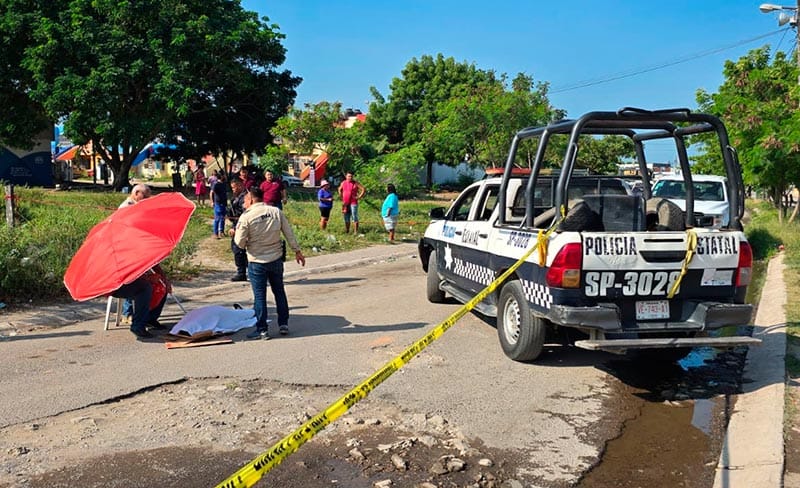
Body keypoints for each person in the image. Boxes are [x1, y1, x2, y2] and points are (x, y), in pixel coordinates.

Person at [234, 187, 305, 340]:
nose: (244, 203)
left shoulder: (246, 217)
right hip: (276, 259)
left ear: (251, 200)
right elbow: (288, 233)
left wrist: (236, 235)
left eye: (246, 200)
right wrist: (297, 251)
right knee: (279, 291)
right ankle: (283, 324)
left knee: (260, 296)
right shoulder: (275, 212)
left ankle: (262, 330)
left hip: (257, 262)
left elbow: (239, 243)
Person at [118, 184, 152, 323]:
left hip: (136, 247)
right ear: (136, 193)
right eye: (145, 196)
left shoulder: (136, 205)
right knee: (133, 278)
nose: (146, 199)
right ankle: (127, 313)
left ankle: (138, 313)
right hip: (126, 248)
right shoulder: (126, 207)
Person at [110, 266, 168, 340]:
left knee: (162, 285)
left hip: (135, 279)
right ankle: (137, 326)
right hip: (117, 284)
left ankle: (150, 318)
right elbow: (128, 275)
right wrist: (148, 278)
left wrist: (165, 280)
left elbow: (154, 264)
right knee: (145, 288)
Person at [226, 176, 249, 281]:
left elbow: (244, 215)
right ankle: (242, 271)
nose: (233, 190)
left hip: (243, 226)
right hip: (237, 224)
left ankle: (242, 272)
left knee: (239, 249)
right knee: (237, 249)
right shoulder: (236, 197)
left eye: (234, 187)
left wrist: (236, 228)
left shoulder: (245, 198)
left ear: (240, 185)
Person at [211, 171, 228, 238]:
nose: (225, 176)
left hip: (224, 203)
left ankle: (221, 231)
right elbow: (211, 193)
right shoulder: (216, 184)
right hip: (218, 203)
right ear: (221, 176)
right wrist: (212, 202)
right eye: (224, 175)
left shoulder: (224, 184)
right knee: (217, 218)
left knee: (223, 218)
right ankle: (215, 233)